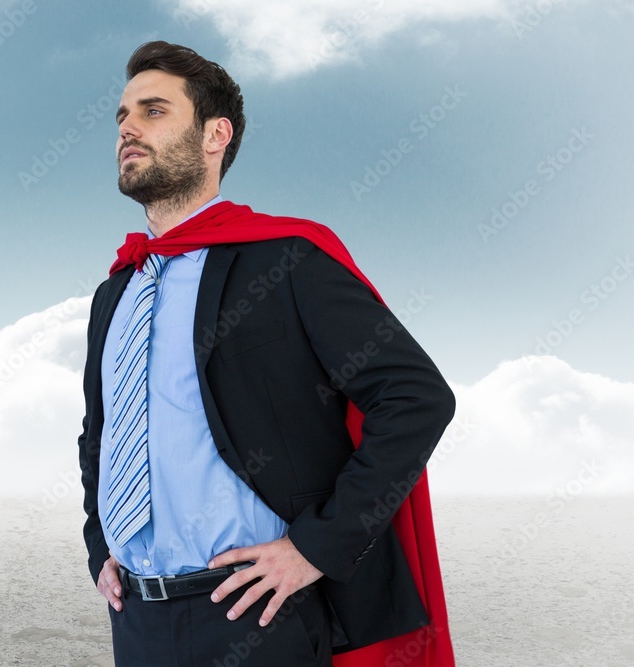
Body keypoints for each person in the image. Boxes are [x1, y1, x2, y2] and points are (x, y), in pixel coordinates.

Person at [77, 40, 457, 666]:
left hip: (256, 617)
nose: (127, 129)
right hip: (136, 621)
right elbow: (101, 432)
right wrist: (100, 546)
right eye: (122, 116)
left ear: (214, 134)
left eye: (153, 111)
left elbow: (416, 398)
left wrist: (316, 549)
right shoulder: (114, 291)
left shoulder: (287, 259)